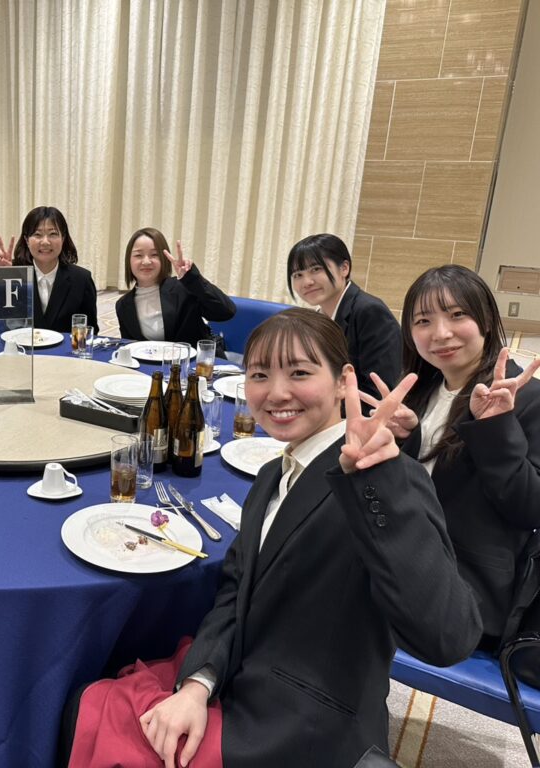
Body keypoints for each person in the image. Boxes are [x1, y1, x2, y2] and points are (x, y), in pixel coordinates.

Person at [64, 309, 480, 768]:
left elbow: (448, 637)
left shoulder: (386, 478)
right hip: (244, 678)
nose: (277, 393)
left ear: (343, 381)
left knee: (95, 714)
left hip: (305, 726)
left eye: (299, 373)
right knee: (94, 692)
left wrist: (377, 482)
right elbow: (235, 588)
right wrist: (198, 685)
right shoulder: (270, 476)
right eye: (260, 375)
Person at [363, 264, 540, 659]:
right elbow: (418, 487)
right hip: (405, 557)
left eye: (457, 315)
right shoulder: (422, 388)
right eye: (423, 321)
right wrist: (406, 438)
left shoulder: (526, 397)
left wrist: (496, 428)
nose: (440, 333)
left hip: (465, 589)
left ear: (486, 321)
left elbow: (530, 508)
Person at [287, 233, 401, 402]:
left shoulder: (369, 311)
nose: (307, 282)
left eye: (316, 269)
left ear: (344, 268)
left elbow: (377, 394)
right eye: (298, 275)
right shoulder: (317, 317)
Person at [115, 228, 235, 347]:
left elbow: (226, 312)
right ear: (128, 260)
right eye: (138, 255)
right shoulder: (123, 305)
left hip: (195, 358)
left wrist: (192, 278)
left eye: (154, 254)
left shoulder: (184, 287)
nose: (146, 261)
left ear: (164, 259)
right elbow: (129, 348)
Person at [0, 206, 98, 333]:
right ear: (27, 240)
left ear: (63, 238)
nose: (45, 242)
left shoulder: (81, 279)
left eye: (53, 234)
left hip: (65, 346)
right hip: (22, 345)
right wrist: (2, 278)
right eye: (37, 234)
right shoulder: (14, 273)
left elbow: (90, 330)